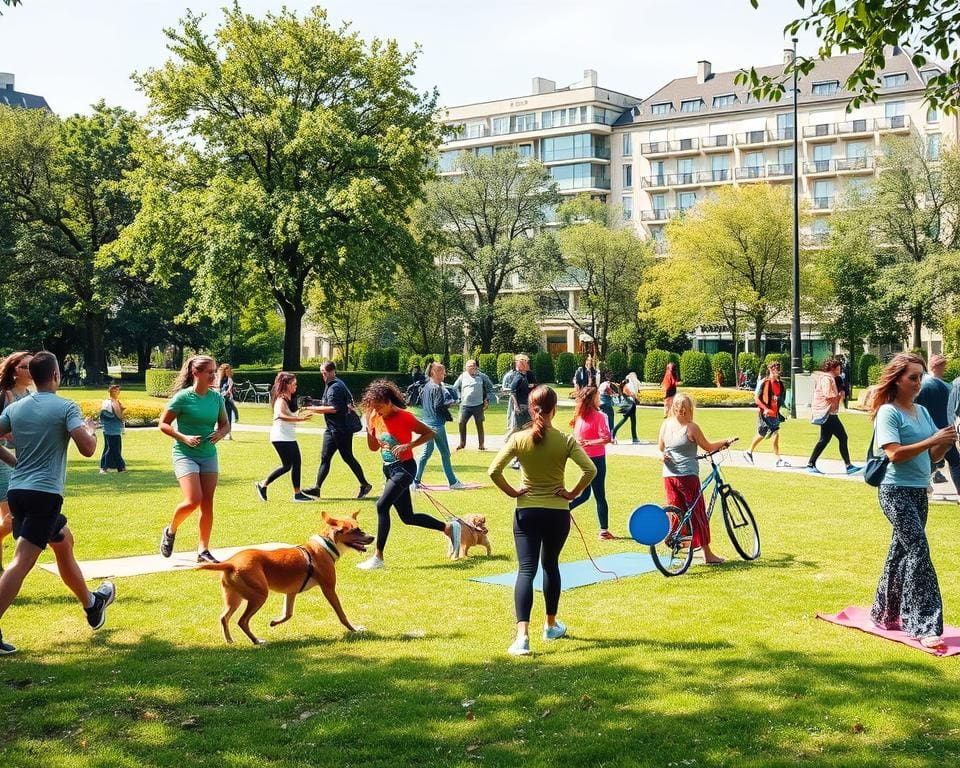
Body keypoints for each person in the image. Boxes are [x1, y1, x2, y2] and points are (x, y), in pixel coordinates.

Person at [0, 351, 113, 655]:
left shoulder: (17, 407)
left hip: (18, 492)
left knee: (63, 541)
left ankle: (92, 603)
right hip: (44, 495)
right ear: (56, 376)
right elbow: (88, 448)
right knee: (21, 562)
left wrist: (14, 461)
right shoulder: (66, 406)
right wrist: (90, 430)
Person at [489, 385, 596, 656]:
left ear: (531, 407)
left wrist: (513, 492)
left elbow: (493, 471)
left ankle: (522, 636)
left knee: (526, 570)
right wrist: (572, 493)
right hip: (557, 513)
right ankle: (550, 625)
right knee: (550, 566)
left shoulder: (518, 438)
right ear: (554, 410)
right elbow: (590, 469)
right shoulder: (566, 440)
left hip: (527, 512)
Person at [869, 353, 956, 649]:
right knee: (919, 550)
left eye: (920, 377)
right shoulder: (888, 412)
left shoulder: (921, 411)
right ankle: (923, 624)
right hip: (895, 491)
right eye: (913, 378)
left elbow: (931, 457)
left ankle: (884, 613)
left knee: (901, 552)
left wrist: (943, 444)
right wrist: (932, 440)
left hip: (919, 490)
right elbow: (894, 453)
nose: (919, 383)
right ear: (897, 379)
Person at [358, 379, 462, 571]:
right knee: (407, 517)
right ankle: (448, 528)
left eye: (380, 406)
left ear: (390, 402)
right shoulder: (375, 416)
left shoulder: (405, 417)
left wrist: (409, 445)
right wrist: (369, 428)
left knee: (382, 505)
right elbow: (373, 448)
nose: (377, 410)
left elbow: (429, 433)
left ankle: (378, 557)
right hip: (388, 469)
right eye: (374, 407)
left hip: (405, 468)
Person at [158, 355, 231, 564]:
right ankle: (171, 531)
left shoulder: (216, 398)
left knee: (207, 504)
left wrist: (220, 433)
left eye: (214, 371)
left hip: (208, 455)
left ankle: (203, 551)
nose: (213, 375)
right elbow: (163, 424)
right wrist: (183, 437)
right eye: (209, 372)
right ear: (195, 373)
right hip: (185, 454)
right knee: (193, 500)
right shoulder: (183, 398)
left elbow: (225, 424)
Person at [659, 394, 736, 566]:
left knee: (677, 511)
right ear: (689, 410)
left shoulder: (665, 425)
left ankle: (677, 539)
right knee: (697, 512)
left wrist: (664, 456)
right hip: (687, 476)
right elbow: (707, 447)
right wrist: (725, 441)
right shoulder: (691, 428)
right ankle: (707, 554)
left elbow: (660, 448)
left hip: (669, 475)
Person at [301, 361, 373, 500]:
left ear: (333, 372)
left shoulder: (335, 387)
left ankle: (365, 484)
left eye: (325, 372)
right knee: (325, 458)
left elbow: (334, 408)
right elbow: (328, 403)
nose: (323, 375)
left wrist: (312, 409)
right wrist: (314, 402)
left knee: (347, 457)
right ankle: (317, 488)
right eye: (322, 372)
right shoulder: (334, 384)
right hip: (332, 429)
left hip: (341, 430)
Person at [255, 372, 315, 503]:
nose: (295, 386)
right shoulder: (281, 399)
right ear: (286, 384)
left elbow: (290, 414)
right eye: (293, 384)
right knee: (289, 465)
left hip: (287, 436)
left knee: (291, 465)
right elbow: (280, 415)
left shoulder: (288, 398)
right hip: (281, 437)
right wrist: (299, 419)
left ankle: (265, 485)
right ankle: (294, 493)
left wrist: (302, 412)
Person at [0, 352, 34, 571]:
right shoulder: (5, 396)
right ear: (14, 371)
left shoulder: (31, 395)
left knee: (13, 518)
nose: (31, 370)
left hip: (21, 463)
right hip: (3, 460)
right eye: (26, 366)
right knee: (12, 519)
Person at [568, 387, 613, 539]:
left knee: (586, 494)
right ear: (592, 399)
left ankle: (564, 510)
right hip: (597, 459)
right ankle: (604, 531)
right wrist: (591, 442)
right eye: (598, 396)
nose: (599, 398)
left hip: (584, 460)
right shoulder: (600, 416)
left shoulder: (580, 416)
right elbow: (606, 438)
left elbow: (576, 435)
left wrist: (585, 442)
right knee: (600, 495)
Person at [805, 357, 861, 475]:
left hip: (828, 412)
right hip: (827, 413)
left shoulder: (830, 378)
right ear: (833, 368)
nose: (840, 370)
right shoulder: (827, 379)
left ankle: (811, 464)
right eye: (839, 367)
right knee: (842, 437)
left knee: (824, 439)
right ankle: (848, 466)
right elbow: (828, 395)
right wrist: (840, 395)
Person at [414, 362, 466, 489]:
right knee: (445, 453)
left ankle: (416, 481)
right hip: (436, 425)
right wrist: (450, 405)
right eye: (442, 372)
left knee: (426, 453)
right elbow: (438, 406)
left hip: (426, 424)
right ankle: (453, 482)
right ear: (434, 372)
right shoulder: (436, 388)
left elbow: (423, 404)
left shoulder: (426, 386)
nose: (444, 374)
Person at [915, 354, 960, 496]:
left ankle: (924, 484)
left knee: (928, 459)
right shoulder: (948, 386)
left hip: (928, 430)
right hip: (945, 428)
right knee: (954, 462)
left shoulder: (921, 385)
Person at [744, 361, 789, 467]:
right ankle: (750, 452)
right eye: (773, 369)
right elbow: (756, 398)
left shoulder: (780, 384)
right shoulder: (764, 382)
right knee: (769, 433)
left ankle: (775, 458)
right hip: (764, 414)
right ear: (769, 370)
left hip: (774, 414)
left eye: (777, 369)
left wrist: (784, 410)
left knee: (769, 433)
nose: (775, 371)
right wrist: (765, 409)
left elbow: (780, 400)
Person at [452, 359, 495, 451]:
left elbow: (490, 387)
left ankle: (481, 444)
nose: (473, 368)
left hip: (478, 405)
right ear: (466, 368)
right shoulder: (462, 376)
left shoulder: (482, 376)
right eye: (470, 366)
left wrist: (487, 399)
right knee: (461, 423)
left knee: (479, 424)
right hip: (465, 405)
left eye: (474, 366)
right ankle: (462, 444)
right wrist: (459, 398)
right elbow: (454, 387)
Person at [98, 384, 127, 474]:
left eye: (118, 390)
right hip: (111, 429)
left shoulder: (112, 402)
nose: (117, 392)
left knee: (112, 448)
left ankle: (109, 467)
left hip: (112, 429)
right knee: (113, 449)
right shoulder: (110, 402)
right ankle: (119, 467)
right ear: (111, 391)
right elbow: (114, 415)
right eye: (115, 390)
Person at [508, 354, 537, 435]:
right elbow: (513, 392)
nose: (528, 364)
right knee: (519, 426)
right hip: (521, 405)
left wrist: (532, 385)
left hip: (527, 403)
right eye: (526, 363)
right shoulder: (518, 377)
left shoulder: (526, 375)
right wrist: (516, 406)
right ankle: (507, 440)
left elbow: (535, 384)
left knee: (528, 424)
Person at [613, 371, 641, 444]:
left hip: (630, 404)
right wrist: (635, 397)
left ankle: (634, 437)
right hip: (630, 405)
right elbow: (631, 394)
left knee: (632, 421)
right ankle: (613, 432)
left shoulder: (626, 385)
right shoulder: (627, 386)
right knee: (626, 420)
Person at [216, 364, 239, 440]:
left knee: (228, 415)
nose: (229, 371)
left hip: (227, 398)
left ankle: (229, 433)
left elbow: (229, 387)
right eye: (227, 369)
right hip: (220, 399)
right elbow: (218, 388)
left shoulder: (229, 379)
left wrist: (227, 392)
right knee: (220, 417)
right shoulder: (219, 379)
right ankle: (221, 433)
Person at [597, 370, 619, 438]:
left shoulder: (602, 384)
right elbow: (609, 391)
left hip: (601, 404)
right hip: (606, 404)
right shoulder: (608, 384)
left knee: (602, 420)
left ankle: (602, 434)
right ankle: (612, 435)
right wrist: (615, 395)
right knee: (610, 419)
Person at [501, 360, 519, 434]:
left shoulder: (525, 374)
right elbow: (504, 389)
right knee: (512, 417)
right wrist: (513, 390)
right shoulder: (509, 375)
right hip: (513, 399)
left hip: (524, 399)